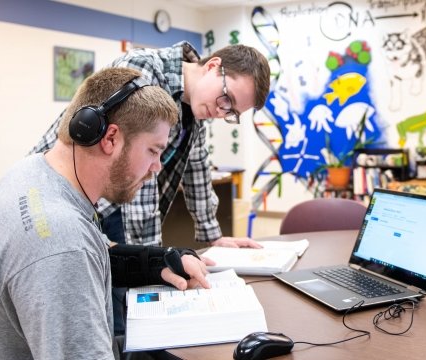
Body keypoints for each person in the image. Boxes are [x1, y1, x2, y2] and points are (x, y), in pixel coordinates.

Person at [0, 68, 211, 359]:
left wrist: (156, 261)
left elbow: (93, 250)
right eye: (153, 151)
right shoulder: (61, 240)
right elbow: (70, 253)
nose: (156, 167)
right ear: (109, 139)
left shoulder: (34, 172)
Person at [31, 42, 269, 335]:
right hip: (65, 200)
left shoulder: (195, 107)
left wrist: (213, 235)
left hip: (109, 204)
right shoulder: (144, 71)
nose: (223, 112)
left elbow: (196, 167)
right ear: (212, 66)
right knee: (110, 318)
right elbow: (133, 171)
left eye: (232, 112)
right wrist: (155, 262)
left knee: (121, 314)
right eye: (226, 99)